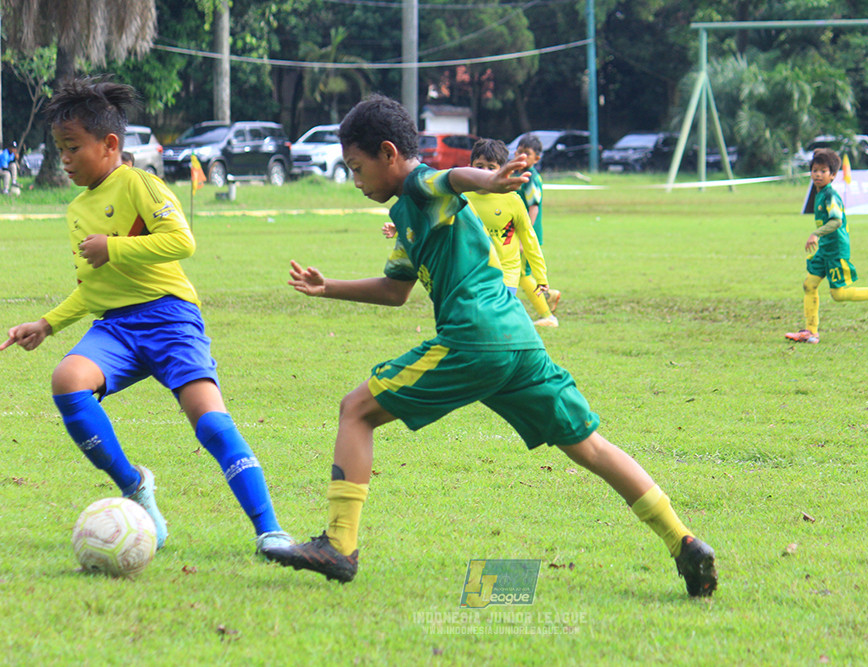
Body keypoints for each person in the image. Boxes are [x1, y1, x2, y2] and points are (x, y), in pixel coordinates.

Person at [264, 94, 717, 598]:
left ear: (389, 153)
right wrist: (330, 287)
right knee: (588, 445)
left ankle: (338, 546)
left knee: (356, 410)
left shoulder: (420, 183)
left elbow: (452, 178)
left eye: (356, 167)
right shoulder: (409, 215)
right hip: (519, 340)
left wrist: (489, 179)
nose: (355, 181)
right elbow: (396, 291)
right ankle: (684, 542)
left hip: (473, 339)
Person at [0, 77, 293, 556]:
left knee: (213, 425)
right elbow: (92, 287)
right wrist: (47, 324)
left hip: (170, 319)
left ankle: (269, 531)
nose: (65, 159)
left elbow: (183, 242)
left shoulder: (138, 183)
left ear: (110, 144)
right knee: (68, 379)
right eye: (59, 149)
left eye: (72, 148)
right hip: (115, 327)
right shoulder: (77, 209)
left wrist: (113, 247)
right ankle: (135, 485)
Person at [381, 138, 553, 322]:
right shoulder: (460, 198)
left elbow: (529, 238)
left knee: (497, 322)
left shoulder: (513, 201)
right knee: (476, 322)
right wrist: (399, 229)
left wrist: (541, 276)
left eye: (491, 167)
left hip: (506, 275)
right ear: (469, 167)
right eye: (479, 166)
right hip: (472, 273)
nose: (484, 172)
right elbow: (433, 222)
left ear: (503, 171)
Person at [785, 148, 868, 344]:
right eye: (815, 170)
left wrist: (815, 234)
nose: (818, 174)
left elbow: (836, 221)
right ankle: (811, 332)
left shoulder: (830, 195)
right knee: (809, 284)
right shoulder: (820, 193)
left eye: (823, 171)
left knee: (839, 295)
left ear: (832, 175)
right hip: (825, 249)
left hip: (836, 250)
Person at [514, 134, 561, 326]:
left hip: (526, 236)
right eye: (519, 151)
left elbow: (534, 207)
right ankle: (550, 295)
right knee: (523, 274)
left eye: (527, 153)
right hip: (521, 234)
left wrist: (525, 237)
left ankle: (547, 316)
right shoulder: (518, 174)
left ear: (537, 159)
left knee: (523, 276)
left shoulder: (530, 178)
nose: (521, 155)